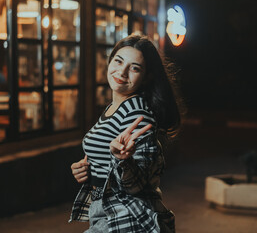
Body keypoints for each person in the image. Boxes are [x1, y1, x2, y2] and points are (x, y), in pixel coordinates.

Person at [69, 34, 181, 233]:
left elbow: (137, 185)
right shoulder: (116, 107)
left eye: (134, 68)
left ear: (146, 77)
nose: (122, 71)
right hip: (106, 212)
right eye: (118, 61)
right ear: (110, 61)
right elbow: (107, 163)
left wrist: (124, 161)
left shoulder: (136, 115)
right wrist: (87, 169)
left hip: (125, 217)